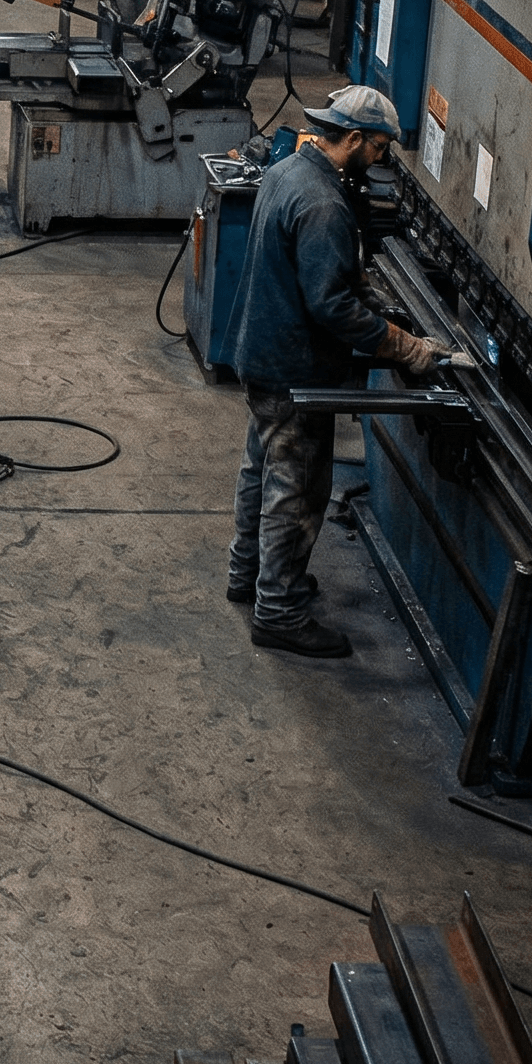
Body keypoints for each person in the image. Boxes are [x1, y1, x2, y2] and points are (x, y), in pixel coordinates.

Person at [224, 86, 445, 658]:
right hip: (294, 367)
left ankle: (247, 575)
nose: (380, 160)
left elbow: (317, 275)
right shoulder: (324, 204)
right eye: (377, 148)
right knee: (296, 491)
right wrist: (403, 346)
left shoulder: (287, 170)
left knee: (260, 469)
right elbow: (331, 306)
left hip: (260, 348)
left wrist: (360, 287)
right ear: (351, 138)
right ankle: (278, 611)